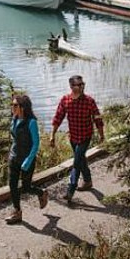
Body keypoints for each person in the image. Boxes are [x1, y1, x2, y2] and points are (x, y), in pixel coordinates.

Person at [50, 75, 105, 204]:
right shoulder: (65, 100)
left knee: (76, 162)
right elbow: (58, 117)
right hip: (73, 137)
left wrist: (102, 135)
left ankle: (71, 189)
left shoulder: (89, 101)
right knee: (81, 160)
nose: (81, 87)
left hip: (85, 136)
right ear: (71, 86)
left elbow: (98, 119)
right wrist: (52, 135)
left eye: (82, 84)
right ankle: (88, 181)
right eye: (78, 85)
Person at [5, 94, 49, 224]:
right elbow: (15, 139)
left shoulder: (31, 122)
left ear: (23, 107)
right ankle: (17, 212)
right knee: (12, 185)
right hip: (14, 158)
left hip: (27, 159)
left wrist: (28, 160)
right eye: (12, 105)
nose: (12, 107)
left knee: (26, 187)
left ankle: (41, 193)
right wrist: (11, 154)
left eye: (15, 105)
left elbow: (36, 144)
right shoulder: (14, 119)